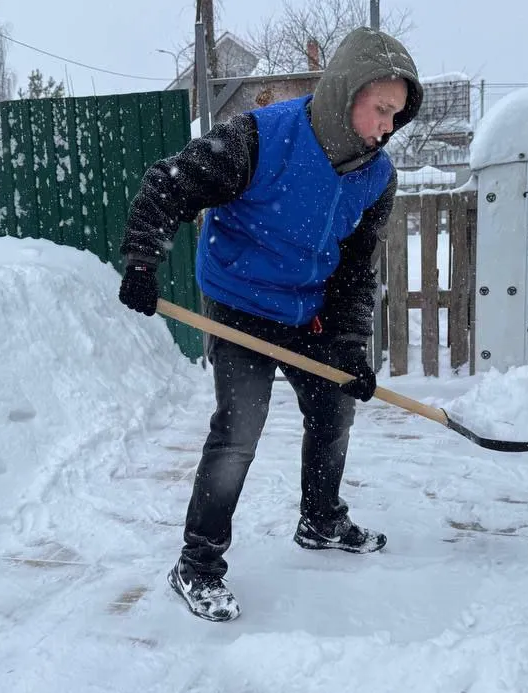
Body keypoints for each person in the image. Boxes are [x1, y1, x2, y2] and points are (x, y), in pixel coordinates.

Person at [117, 27, 422, 622]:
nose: (388, 126)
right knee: (238, 431)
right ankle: (197, 565)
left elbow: (357, 270)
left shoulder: (376, 177)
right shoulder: (261, 138)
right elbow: (169, 183)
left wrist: (349, 350)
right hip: (240, 304)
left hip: (307, 308)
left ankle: (321, 519)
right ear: (345, 92)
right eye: (380, 108)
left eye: (396, 114)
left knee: (335, 407)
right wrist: (141, 261)